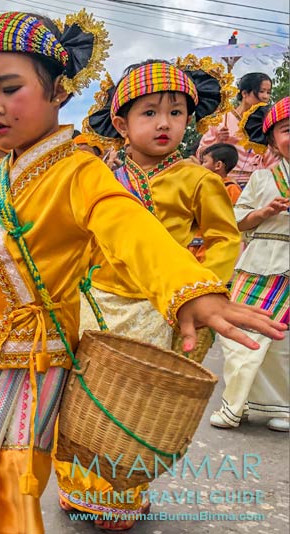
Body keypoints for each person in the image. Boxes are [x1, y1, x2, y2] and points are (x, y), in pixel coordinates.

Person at [0, 11, 285, 534]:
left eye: (10, 88)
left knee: (8, 479)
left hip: (34, 360)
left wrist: (191, 289)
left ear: (59, 90)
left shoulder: (81, 171)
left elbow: (127, 226)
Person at [55, 55, 242, 530]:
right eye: (150, 112)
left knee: (132, 407)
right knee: (82, 398)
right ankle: (77, 487)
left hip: (154, 306)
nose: (164, 123)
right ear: (121, 124)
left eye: (176, 113)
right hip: (95, 300)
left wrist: (201, 290)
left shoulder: (199, 180)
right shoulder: (101, 177)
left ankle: (120, 497)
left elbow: (224, 240)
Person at [210, 96, 290, 433]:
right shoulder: (261, 179)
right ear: (272, 139)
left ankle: (282, 406)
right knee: (239, 334)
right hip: (258, 263)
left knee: (282, 343)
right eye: (287, 129)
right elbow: (237, 220)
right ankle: (236, 403)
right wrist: (263, 213)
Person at [197, 72, 279, 187]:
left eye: (268, 92)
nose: (266, 97)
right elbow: (200, 155)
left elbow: (273, 158)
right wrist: (218, 141)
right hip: (225, 183)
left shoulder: (266, 122)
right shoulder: (221, 121)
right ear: (245, 93)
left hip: (258, 184)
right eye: (261, 91)